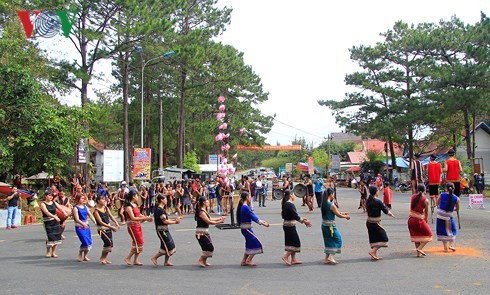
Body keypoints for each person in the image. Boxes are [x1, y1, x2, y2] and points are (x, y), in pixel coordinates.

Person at [237, 192, 270, 266]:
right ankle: (249, 260)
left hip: (246, 228)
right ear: (246, 197)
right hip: (246, 229)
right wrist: (261, 222)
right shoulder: (245, 207)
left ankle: (244, 261)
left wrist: (261, 221)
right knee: (256, 243)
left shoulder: (243, 206)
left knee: (249, 244)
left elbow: (252, 216)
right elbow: (253, 216)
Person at [281, 190, 311, 266]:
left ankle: (293, 259)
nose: (294, 196)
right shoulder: (290, 204)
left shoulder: (286, 204)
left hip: (287, 224)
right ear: (291, 195)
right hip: (290, 225)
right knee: (296, 243)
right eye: (293, 194)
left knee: (291, 242)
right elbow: (295, 215)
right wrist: (304, 221)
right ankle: (285, 256)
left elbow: (293, 215)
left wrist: (302, 219)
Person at [124, 189, 153, 266]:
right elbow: (133, 218)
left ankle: (136, 260)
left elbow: (139, 215)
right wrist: (145, 218)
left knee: (139, 243)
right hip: (132, 226)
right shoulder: (128, 207)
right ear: (133, 196)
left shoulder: (135, 205)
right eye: (137, 195)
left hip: (137, 225)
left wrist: (146, 217)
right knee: (138, 242)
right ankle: (128, 258)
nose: (138, 197)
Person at [321, 188, 350, 264]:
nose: (333, 195)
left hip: (324, 225)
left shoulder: (323, 204)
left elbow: (336, 212)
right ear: (330, 194)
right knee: (338, 240)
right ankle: (331, 256)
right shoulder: (331, 204)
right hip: (330, 226)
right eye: (333, 194)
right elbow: (338, 215)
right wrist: (345, 216)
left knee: (328, 241)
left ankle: (327, 258)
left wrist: (343, 213)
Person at [151, 194, 181, 266]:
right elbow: (165, 221)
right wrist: (175, 222)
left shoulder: (161, 210)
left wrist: (174, 220)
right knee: (170, 245)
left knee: (165, 246)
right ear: (161, 200)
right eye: (165, 199)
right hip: (162, 231)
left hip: (164, 230)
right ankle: (154, 257)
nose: (166, 200)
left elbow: (166, 220)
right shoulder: (160, 210)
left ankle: (166, 261)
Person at [366, 186, 395, 260]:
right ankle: (373, 251)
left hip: (369, 222)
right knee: (384, 238)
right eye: (378, 190)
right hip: (375, 223)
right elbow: (385, 210)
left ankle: (374, 255)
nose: (379, 192)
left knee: (374, 238)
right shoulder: (378, 201)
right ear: (375, 192)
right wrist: (391, 214)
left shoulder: (368, 200)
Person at [195, 197, 225, 267]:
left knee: (206, 248)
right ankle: (201, 260)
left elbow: (210, 218)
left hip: (204, 232)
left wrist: (220, 218)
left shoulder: (204, 211)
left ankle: (204, 261)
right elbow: (209, 221)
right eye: (207, 201)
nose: (208, 202)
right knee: (210, 247)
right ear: (204, 203)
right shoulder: (201, 212)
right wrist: (219, 222)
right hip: (201, 233)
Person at [408, 184, 432, 257]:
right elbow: (426, 212)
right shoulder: (425, 200)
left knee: (416, 235)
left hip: (411, 219)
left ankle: (418, 253)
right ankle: (419, 248)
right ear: (425, 190)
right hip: (418, 220)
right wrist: (426, 220)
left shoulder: (413, 197)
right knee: (429, 234)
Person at [93, 195, 119, 264]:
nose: (104, 200)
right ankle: (102, 258)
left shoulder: (106, 208)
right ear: (98, 201)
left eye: (104, 199)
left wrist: (116, 223)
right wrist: (111, 227)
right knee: (107, 242)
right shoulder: (96, 211)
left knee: (110, 244)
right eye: (102, 199)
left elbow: (111, 216)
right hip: (102, 229)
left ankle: (104, 258)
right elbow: (100, 222)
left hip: (108, 228)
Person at [436, 182, 460, 252]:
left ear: (446, 188)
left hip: (440, 214)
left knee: (443, 230)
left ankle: (445, 247)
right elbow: (457, 209)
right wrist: (453, 209)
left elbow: (437, 203)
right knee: (453, 230)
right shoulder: (456, 198)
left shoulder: (442, 195)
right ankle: (450, 245)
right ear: (454, 189)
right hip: (448, 215)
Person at [73, 194, 96, 262]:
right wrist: (83, 224)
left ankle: (85, 255)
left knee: (88, 241)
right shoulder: (75, 208)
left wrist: (95, 221)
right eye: (82, 198)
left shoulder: (85, 207)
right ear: (78, 199)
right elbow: (77, 219)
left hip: (86, 225)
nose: (83, 200)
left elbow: (90, 215)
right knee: (84, 240)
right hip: (80, 226)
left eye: (84, 198)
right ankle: (80, 253)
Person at [40, 191, 62, 257]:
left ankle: (54, 252)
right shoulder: (43, 204)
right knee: (50, 236)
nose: (51, 197)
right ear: (46, 196)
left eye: (52, 196)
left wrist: (66, 212)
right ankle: (48, 252)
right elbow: (46, 212)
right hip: (48, 222)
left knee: (56, 236)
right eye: (49, 195)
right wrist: (54, 216)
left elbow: (60, 208)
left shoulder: (54, 203)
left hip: (55, 221)